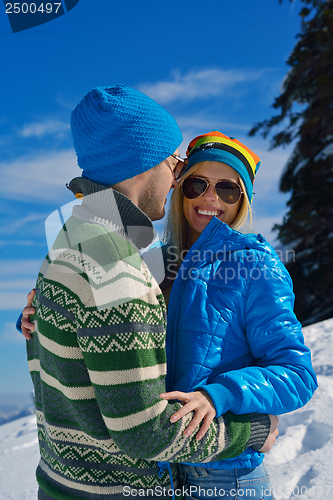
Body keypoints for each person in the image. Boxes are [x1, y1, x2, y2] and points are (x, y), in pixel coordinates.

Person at [19, 88, 277, 500]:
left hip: (61, 482)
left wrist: (37, 316)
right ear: (145, 161)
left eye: (228, 189)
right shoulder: (119, 268)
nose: (176, 178)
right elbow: (145, 434)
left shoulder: (72, 241)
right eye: (178, 165)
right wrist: (254, 431)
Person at [158, 131, 318, 499]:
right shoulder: (154, 263)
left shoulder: (257, 266)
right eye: (197, 183)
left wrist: (219, 395)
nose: (211, 197)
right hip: (157, 473)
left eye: (228, 189)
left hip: (225, 479)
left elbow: (297, 375)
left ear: (242, 199)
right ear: (179, 188)